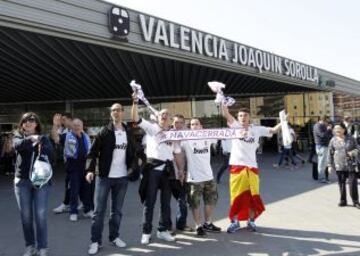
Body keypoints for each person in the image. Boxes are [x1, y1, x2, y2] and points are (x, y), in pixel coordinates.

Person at [85, 103, 137, 255]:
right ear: (111, 114)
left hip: (122, 178)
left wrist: (134, 166)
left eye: (118, 110)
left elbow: (134, 151)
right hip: (104, 178)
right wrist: (89, 170)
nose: (116, 112)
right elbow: (92, 153)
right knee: (98, 212)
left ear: (122, 112)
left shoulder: (128, 131)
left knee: (117, 211)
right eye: (113, 110)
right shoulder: (104, 131)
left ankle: (114, 237)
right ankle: (95, 241)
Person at [221, 106, 281, 233]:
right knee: (236, 195)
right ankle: (235, 221)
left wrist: (283, 122)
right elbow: (226, 113)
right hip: (237, 166)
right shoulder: (235, 126)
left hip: (252, 167)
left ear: (249, 117)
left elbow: (274, 130)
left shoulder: (257, 129)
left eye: (245, 115)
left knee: (253, 196)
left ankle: (251, 221)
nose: (243, 118)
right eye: (240, 116)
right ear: (238, 118)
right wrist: (222, 99)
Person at [132, 99, 176, 245]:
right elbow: (135, 119)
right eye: (162, 114)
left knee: (166, 203)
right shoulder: (152, 128)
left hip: (167, 172)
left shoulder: (174, 134)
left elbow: (177, 153)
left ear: (170, 120)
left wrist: (180, 171)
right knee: (149, 202)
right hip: (152, 171)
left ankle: (163, 230)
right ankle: (146, 232)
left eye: (167, 115)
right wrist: (134, 102)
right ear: (158, 118)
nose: (164, 116)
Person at [13, 112, 53, 256]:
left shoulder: (44, 138)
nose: (28, 123)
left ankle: (42, 247)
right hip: (22, 182)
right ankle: (30, 246)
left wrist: (42, 145)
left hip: (41, 181)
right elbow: (17, 146)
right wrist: (32, 139)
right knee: (26, 216)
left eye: (31, 120)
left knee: (40, 215)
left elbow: (52, 155)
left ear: (36, 124)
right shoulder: (18, 137)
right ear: (22, 124)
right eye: (25, 121)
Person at [174, 118, 221, 236]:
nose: (194, 126)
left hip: (209, 176)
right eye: (192, 124)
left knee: (211, 201)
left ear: (201, 126)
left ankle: (208, 223)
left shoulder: (207, 137)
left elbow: (223, 135)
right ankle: (198, 225)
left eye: (196, 124)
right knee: (195, 204)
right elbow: (177, 150)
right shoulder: (186, 139)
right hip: (194, 178)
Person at [51, 116, 93, 221]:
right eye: (74, 125)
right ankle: (73, 212)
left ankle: (87, 211)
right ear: (72, 127)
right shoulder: (67, 136)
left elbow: (91, 152)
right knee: (74, 191)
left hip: (86, 168)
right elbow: (55, 138)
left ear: (82, 126)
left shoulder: (86, 137)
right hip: (73, 167)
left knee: (86, 190)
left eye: (79, 125)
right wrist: (55, 126)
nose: (77, 127)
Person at [327, 124, 360, 209]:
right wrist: (330, 165)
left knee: (353, 184)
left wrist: (353, 152)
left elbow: (358, 148)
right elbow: (329, 153)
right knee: (341, 184)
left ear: (343, 129)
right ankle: (343, 201)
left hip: (350, 165)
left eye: (338, 129)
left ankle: (355, 201)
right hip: (339, 165)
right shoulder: (333, 140)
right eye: (335, 129)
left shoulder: (351, 138)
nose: (336, 131)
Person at [170, 114, 192, 232]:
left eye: (180, 123)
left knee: (182, 200)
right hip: (171, 174)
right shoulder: (168, 135)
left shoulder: (187, 135)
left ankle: (181, 224)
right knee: (169, 201)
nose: (178, 125)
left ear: (184, 124)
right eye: (175, 122)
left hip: (185, 173)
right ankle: (167, 227)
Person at [53, 113, 74, 214]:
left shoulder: (76, 129)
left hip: (78, 162)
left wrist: (56, 125)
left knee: (71, 183)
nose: (62, 122)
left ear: (71, 119)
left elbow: (57, 139)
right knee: (70, 183)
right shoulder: (65, 131)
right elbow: (55, 138)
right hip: (70, 162)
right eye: (61, 120)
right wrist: (56, 126)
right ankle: (84, 203)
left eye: (64, 119)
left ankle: (67, 204)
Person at [313, 115, 333, 183]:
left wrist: (328, 131)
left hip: (325, 145)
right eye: (327, 121)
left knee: (324, 163)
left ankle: (323, 177)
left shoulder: (323, 126)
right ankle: (321, 178)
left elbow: (330, 136)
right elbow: (323, 135)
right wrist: (328, 129)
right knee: (321, 163)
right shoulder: (317, 126)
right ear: (324, 120)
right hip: (321, 146)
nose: (328, 123)